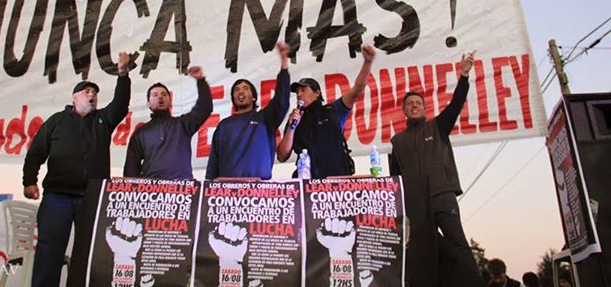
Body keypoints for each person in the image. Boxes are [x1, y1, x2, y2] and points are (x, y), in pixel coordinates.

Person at [22, 51, 132, 287]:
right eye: (87, 91)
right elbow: (36, 152)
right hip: (57, 198)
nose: (92, 95)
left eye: (95, 93)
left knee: (88, 256)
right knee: (49, 253)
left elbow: (121, 105)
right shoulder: (56, 121)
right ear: (74, 98)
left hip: (92, 200)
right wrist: (29, 180)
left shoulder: (104, 120)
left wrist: (123, 75)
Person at [389, 51, 483, 286]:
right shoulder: (397, 142)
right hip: (416, 205)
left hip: (442, 196)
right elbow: (394, 179)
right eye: (409, 103)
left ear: (424, 108)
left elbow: (456, 104)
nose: (414, 106)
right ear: (404, 110)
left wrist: (463, 75)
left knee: (458, 245)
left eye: (418, 103)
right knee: (424, 254)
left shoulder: (438, 127)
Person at [276, 44, 376, 178]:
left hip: (337, 182)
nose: (299, 94)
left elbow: (357, 89)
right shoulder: (295, 119)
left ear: (317, 93)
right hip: (307, 185)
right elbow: (282, 156)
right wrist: (292, 128)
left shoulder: (333, 110)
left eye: (303, 90)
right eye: (297, 92)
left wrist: (367, 62)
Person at [205, 43, 290, 180]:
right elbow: (213, 162)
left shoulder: (265, 117)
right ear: (233, 98)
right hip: (227, 192)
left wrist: (284, 66)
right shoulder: (224, 125)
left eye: (245, 88)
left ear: (254, 97)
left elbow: (282, 100)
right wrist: (209, 186)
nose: (241, 91)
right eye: (237, 90)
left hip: (259, 191)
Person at [123, 66, 212, 179]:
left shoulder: (182, 124)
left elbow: (204, 108)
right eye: (155, 95)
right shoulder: (141, 132)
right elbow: (131, 167)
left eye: (164, 94)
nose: (160, 97)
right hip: (151, 190)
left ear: (170, 101)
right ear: (148, 104)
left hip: (182, 189)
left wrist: (201, 81)